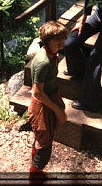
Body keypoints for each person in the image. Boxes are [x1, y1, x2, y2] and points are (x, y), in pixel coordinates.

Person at [28, 20, 69, 181]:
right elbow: (38, 92)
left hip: (48, 98)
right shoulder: (44, 61)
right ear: (47, 40)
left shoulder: (52, 54)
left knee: (41, 139)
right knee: (45, 148)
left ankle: (37, 174)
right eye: (56, 39)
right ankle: (34, 177)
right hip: (41, 104)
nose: (61, 42)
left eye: (63, 38)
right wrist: (57, 110)